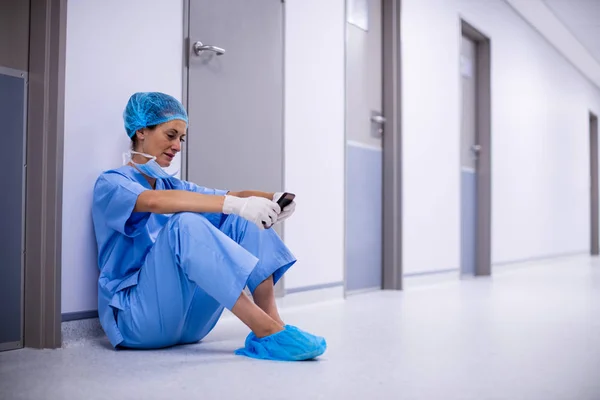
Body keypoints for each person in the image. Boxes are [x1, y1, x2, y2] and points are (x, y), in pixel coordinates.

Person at [91, 92, 326, 361]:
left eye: (181, 138)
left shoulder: (172, 185)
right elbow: (154, 202)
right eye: (171, 135)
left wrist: (270, 199)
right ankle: (265, 330)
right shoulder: (111, 183)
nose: (178, 146)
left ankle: (274, 325)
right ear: (141, 131)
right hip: (136, 320)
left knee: (240, 217)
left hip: (191, 325)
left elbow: (233, 195)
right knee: (185, 222)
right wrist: (231, 204)